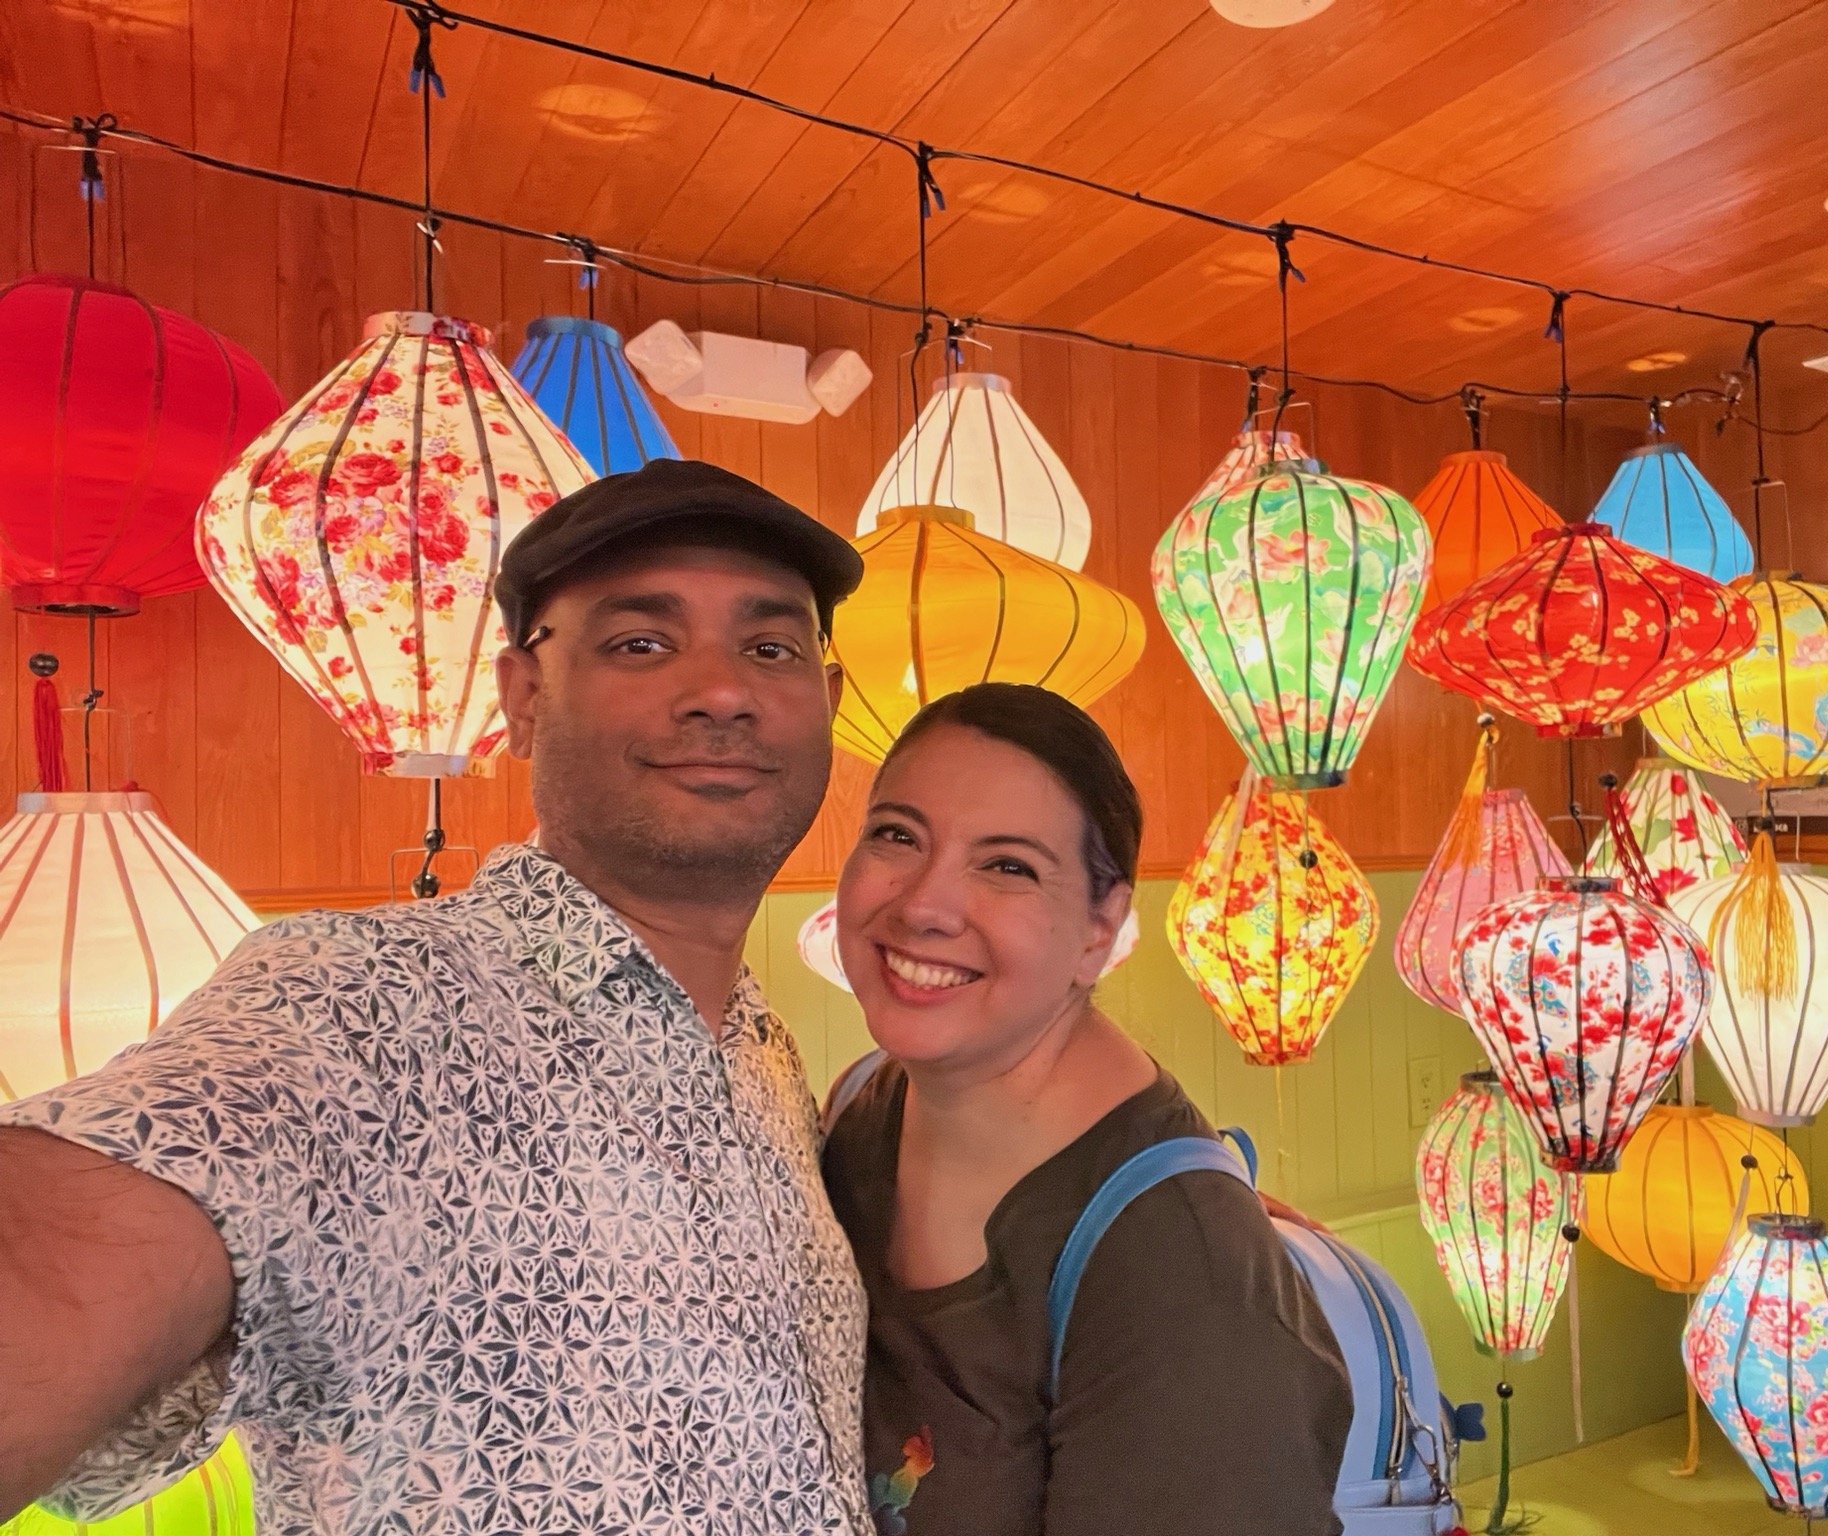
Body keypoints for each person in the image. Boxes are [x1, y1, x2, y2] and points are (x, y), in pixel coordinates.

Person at [0, 460, 875, 1533]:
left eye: (769, 648)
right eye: (639, 643)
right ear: (521, 694)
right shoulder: (349, 1004)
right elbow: (76, 1239)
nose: (722, 690)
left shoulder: (767, 1055)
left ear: (826, 701)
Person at [821, 683, 1350, 1536]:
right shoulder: (856, 1110)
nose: (921, 905)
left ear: (1100, 927)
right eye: (896, 835)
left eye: (1008, 867)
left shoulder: (1180, 1276)